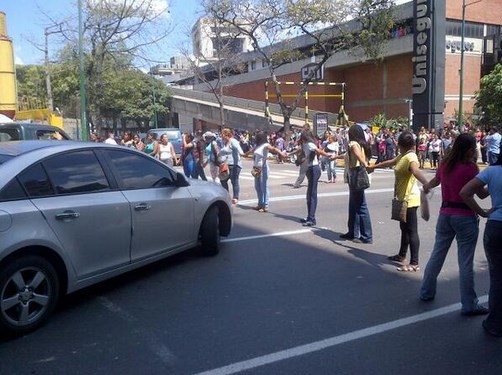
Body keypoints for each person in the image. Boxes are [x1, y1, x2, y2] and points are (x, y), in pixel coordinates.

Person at [420, 133, 489, 316]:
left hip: (445, 214)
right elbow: (481, 194)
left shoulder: (445, 164)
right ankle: (469, 304)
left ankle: (426, 291)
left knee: (437, 254)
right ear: (468, 149)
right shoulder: (470, 168)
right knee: (465, 262)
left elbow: (434, 182)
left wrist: (425, 188)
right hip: (465, 217)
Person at [368, 130, 428, 270]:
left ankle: (414, 263)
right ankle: (402, 255)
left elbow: (415, 170)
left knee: (411, 231)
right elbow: (390, 161)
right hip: (402, 198)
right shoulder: (403, 155)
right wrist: (373, 167)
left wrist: (427, 183)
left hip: (410, 199)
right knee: (404, 228)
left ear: (401, 144)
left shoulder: (411, 157)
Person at [460, 152, 502, 337]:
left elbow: (465, 193)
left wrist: (483, 213)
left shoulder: (492, 171)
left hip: (496, 228)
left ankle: (494, 324)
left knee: (498, 278)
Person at [339, 125, 373, 243]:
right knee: (354, 206)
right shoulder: (361, 143)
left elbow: (358, 155)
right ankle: (353, 231)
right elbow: (350, 155)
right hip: (355, 175)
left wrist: (365, 164)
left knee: (360, 206)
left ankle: (366, 236)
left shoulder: (353, 144)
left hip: (356, 175)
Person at [297, 129, 335, 226]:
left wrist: (327, 155)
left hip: (314, 169)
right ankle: (310, 216)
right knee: (309, 195)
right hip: (310, 169)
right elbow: (302, 153)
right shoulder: (305, 144)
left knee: (312, 194)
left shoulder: (310, 144)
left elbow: (318, 151)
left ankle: (312, 218)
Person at [250, 131, 287, 212]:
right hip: (256, 169)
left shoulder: (266, 145)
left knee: (264, 187)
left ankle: (265, 205)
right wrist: (244, 154)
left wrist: (281, 154)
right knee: (257, 187)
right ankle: (260, 204)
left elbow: (274, 149)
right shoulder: (258, 146)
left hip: (263, 169)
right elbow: (251, 151)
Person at [220, 128, 246, 204]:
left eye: (222, 134)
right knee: (223, 180)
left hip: (234, 165)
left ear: (226, 134)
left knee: (234, 181)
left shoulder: (233, 141)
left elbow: (239, 150)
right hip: (226, 165)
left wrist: (243, 154)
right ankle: (227, 196)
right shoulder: (225, 143)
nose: (221, 136)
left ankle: (235, 197)